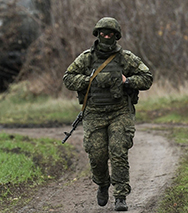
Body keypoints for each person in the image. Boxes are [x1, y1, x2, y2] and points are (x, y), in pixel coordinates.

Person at [63, 17, 153, 211]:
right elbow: (68, 78)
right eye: (103, 33)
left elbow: (147, 78)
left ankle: (120, 196)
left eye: (110, 33)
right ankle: (103, 183)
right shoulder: (86, 58)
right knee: (97, 155)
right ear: (97, 34)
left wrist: (127, 81)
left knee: (119, 152)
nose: (106, 36)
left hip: (119, 112)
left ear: (116, 36)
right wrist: (89, 80)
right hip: (94, 113)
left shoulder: (125, 58)